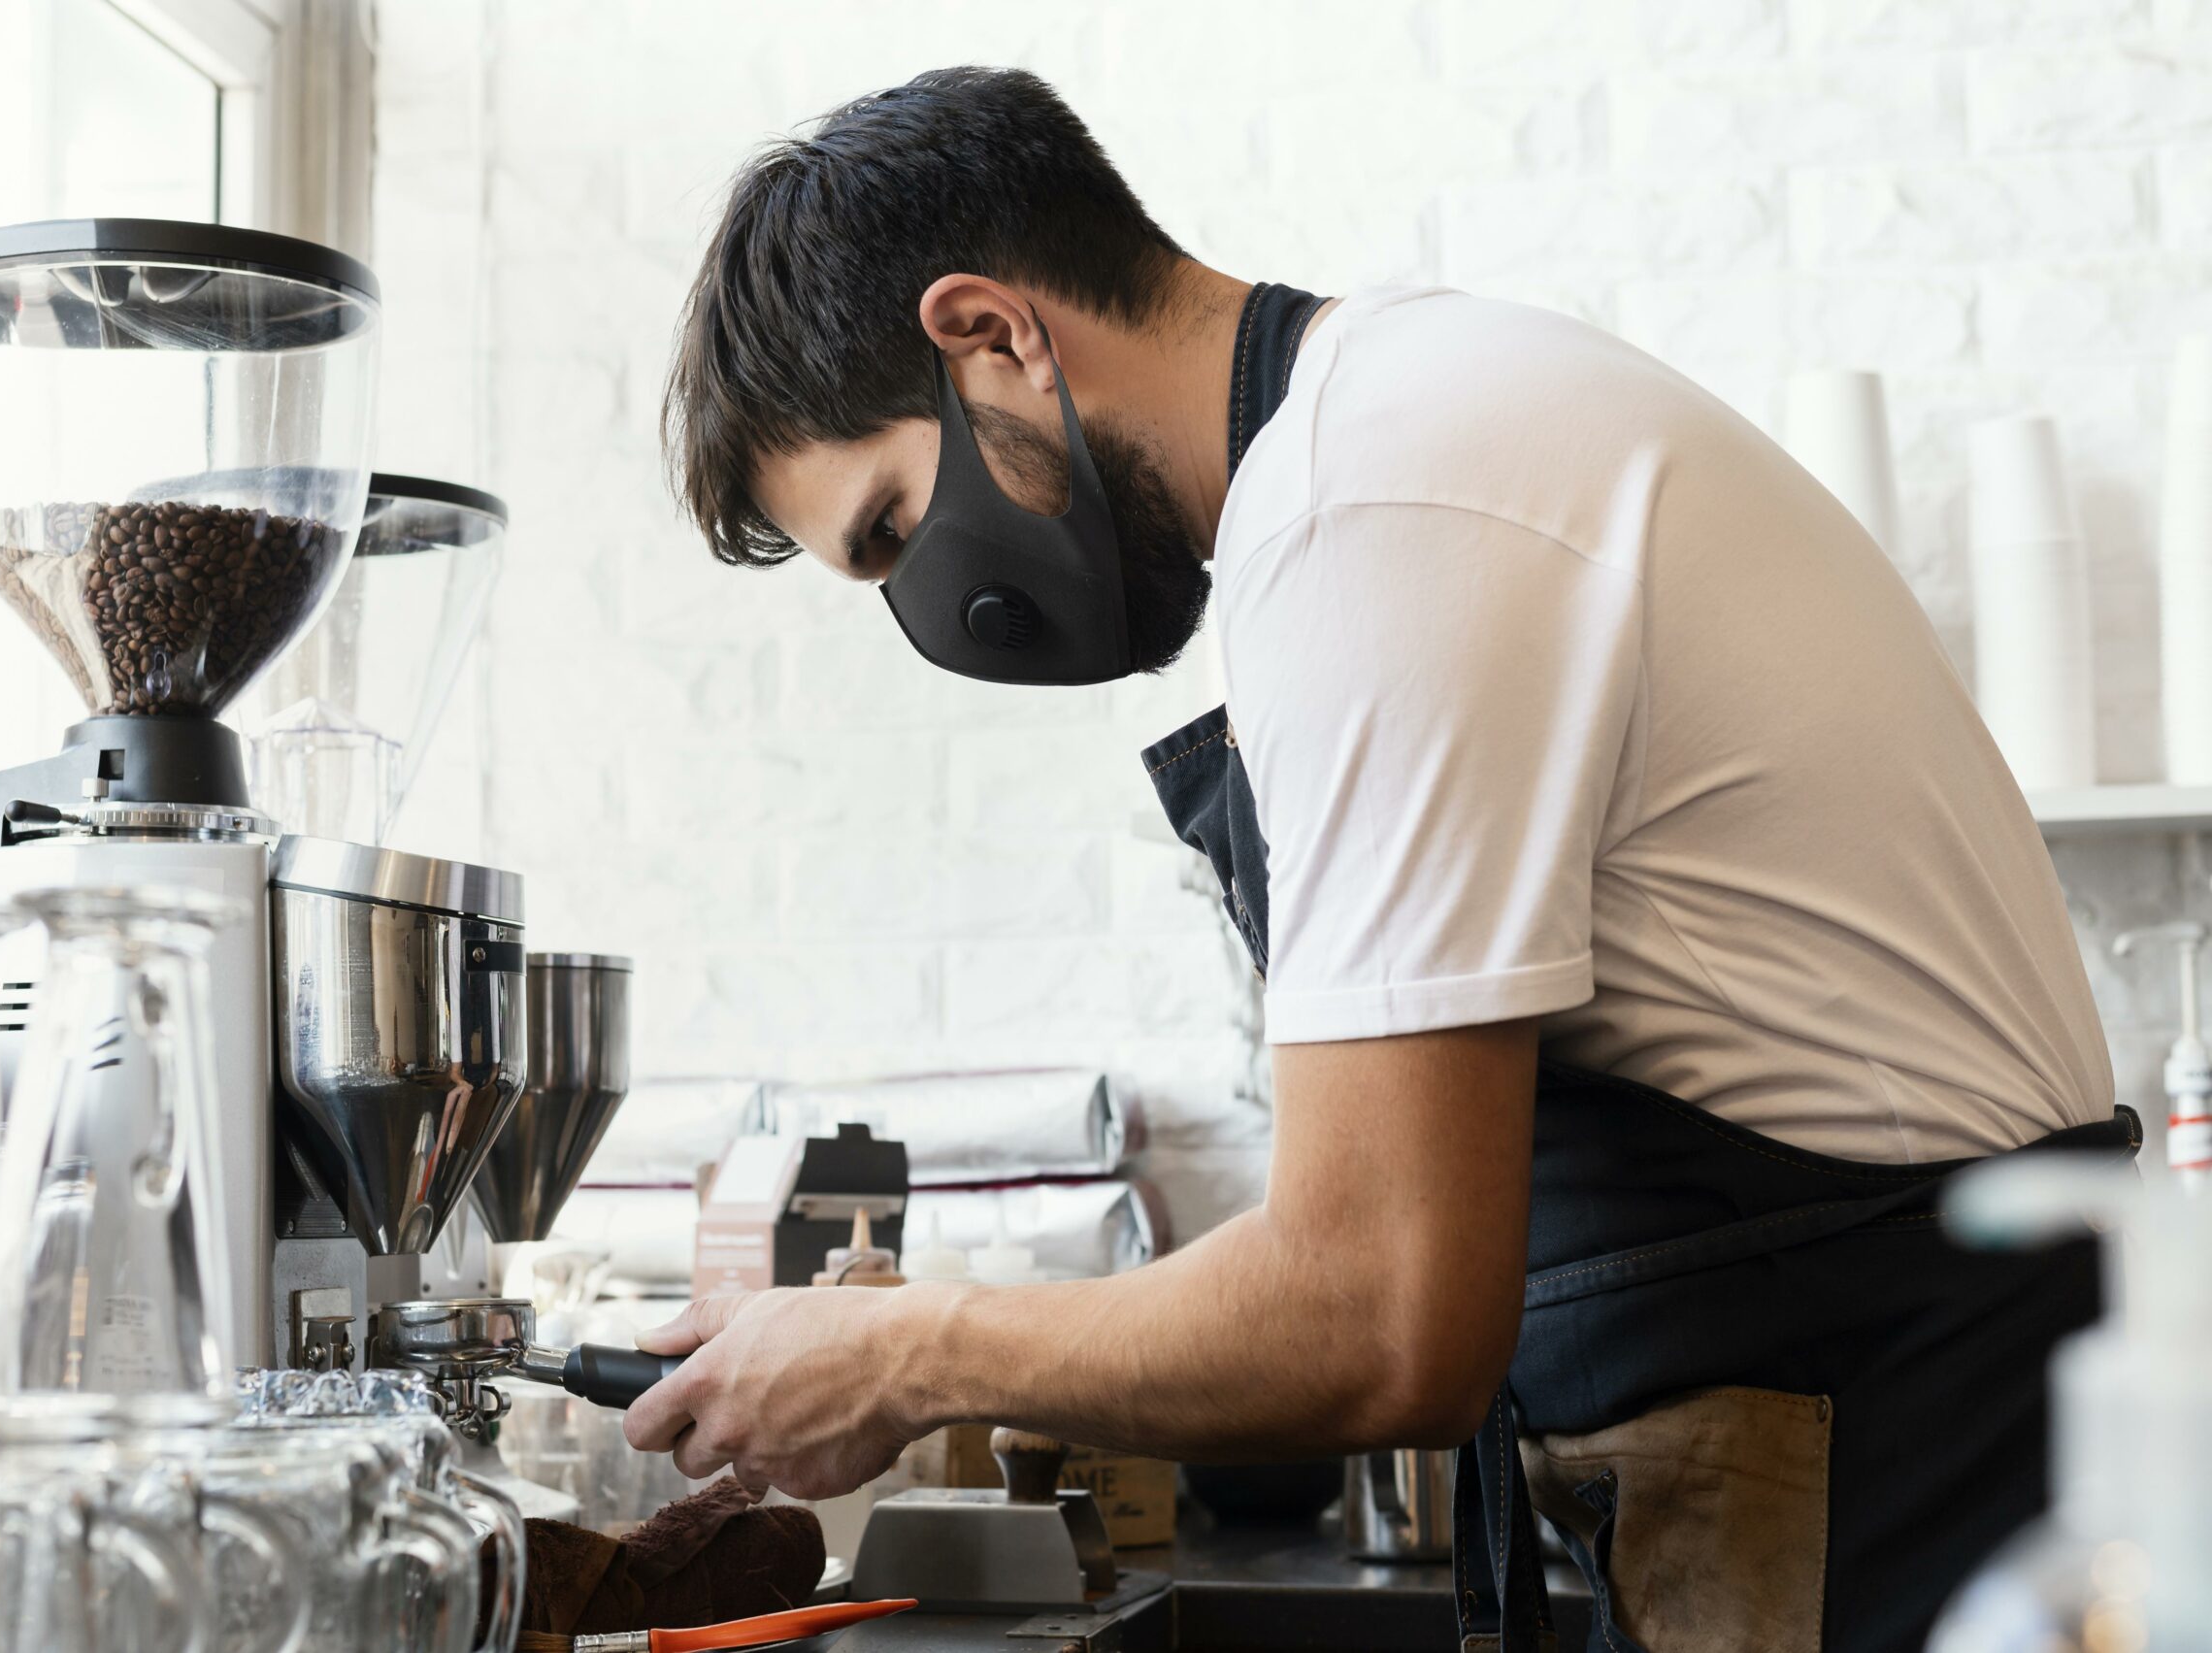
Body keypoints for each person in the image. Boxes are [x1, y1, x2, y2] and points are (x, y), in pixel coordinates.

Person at [629, 65, 2131, 1651]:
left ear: (990, 334)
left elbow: (1380, 1314)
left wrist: (908, 1356)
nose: (924, 604)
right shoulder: (1413, 416)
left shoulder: (1369, 513)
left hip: (1897, 1486)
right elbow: (1385, 1225)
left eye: (890, 529)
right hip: (1897, 1437)